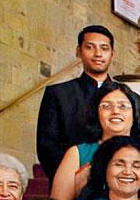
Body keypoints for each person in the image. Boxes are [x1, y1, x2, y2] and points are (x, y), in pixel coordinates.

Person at [50, 82, 140, 200]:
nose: (115, 111)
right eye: (106, 106)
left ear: (135, 113)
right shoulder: (78, 153)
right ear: (96, 113)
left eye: (123, 106)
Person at [36, 25, 121, 178]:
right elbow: (47, 147)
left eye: (104, 48)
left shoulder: (128, 97)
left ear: (112, 54)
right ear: (78, 51)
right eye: (90, 47)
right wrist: (70, 177)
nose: (98, 54)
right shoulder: (58, 94)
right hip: (70, 180)